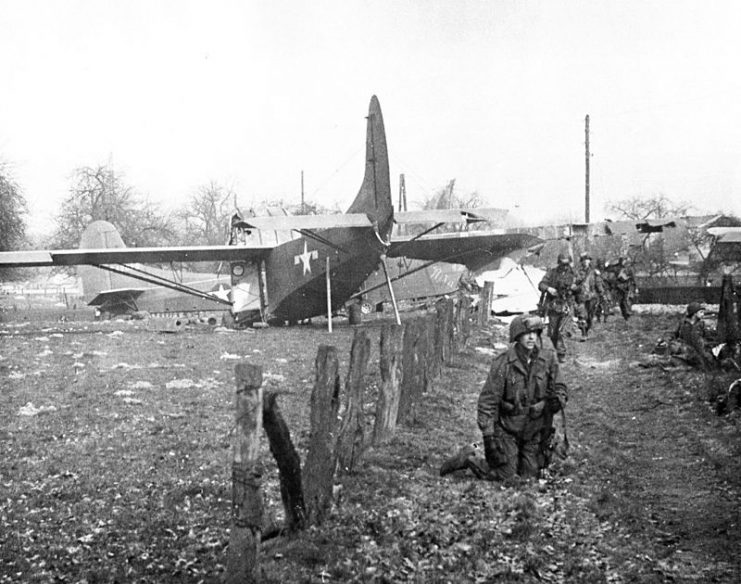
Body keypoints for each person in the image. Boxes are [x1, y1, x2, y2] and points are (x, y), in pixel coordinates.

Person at [477, 315, 568, 480]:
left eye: (535, 333)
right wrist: (488, 437)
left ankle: (519, 459)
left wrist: (558, 399)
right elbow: (488, 401)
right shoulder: (504, 362)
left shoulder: (547, 359)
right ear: (517, 336)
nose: (532, 337)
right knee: (507, 475)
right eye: (527, 333)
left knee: (529, 475)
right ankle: (470, 458)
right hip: (507, 428)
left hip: (534, 430)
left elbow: (560, 387)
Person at [538, 252, 578, 363]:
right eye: (562, 264)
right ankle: (558, 349)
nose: (565, 266)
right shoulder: (552, 273)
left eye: (567, 264)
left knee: (562, 331)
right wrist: (549, 289)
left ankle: (561, 353)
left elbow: (581, 287)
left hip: (567, 305)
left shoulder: (574, 274)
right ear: (559, 263)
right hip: (554, 305)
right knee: (553, 333)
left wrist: (575, 288)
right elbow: (541, 284)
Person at [674, 301, 717, 369]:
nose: (703, 314)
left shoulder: (702, 324)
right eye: (701, 312)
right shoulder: (683, 323)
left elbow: (709, 337)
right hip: (686, 350)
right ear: (694, 314)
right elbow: (674, 334)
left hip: (699, 350)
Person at [574, 252, 604, 339]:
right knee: (582, 315)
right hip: (581, 296)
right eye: (584, 260)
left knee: (590, 317)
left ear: (589, 261)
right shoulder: (578, 272)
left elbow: (598, 283)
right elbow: (574, 283)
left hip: (592, 297)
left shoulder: (594, 272)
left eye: (587, 260)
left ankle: (586, 330)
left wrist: (601, 292)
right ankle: (583, 333)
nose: (585, 262)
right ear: (581, 261)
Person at [607, 256, 637, 321]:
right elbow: (609, 269)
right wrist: (608, 264)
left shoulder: (629, 268)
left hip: (628, 286)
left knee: (627, 300)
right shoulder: (617, 268)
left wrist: (636, 287)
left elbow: (633, 278)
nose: (623, 262)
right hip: (619, 287)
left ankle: (628, 312)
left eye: (624, 260)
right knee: (621, 302)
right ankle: (625, 315)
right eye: (621, 261)